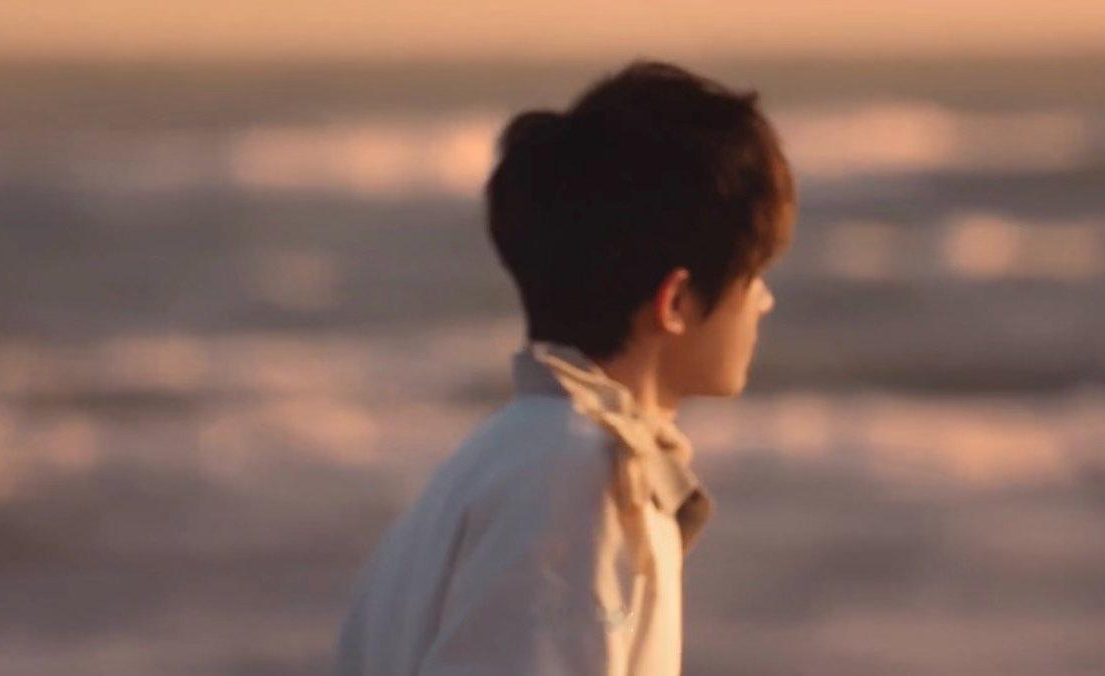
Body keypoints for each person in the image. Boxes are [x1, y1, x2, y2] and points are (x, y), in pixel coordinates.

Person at [334, 58, 796, 675]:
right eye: (752, 276)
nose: (764, 301)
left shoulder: (497, 458)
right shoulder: (583, 481)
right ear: (676, 302)